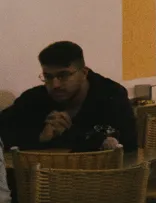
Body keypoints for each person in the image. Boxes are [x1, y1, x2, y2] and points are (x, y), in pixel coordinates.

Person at [0, 41, 137, 152]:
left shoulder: (111, 95)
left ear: (84, 73)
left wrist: (72, 134)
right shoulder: (34, 98)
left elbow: (130, 146)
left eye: (63, 75)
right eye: (48, 77)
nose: (55, 85)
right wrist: (40, 137)